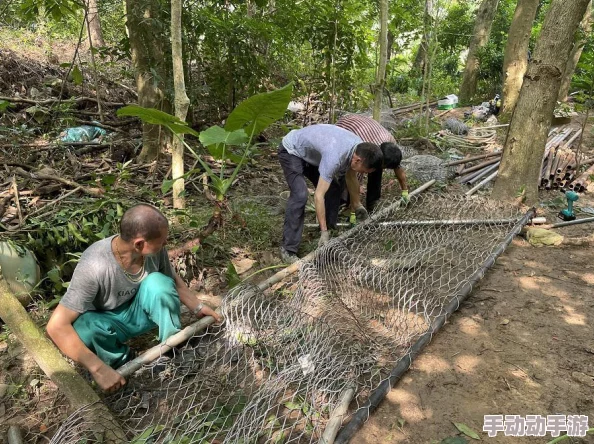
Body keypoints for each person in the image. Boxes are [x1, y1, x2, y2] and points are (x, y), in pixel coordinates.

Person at [46, 204, 222, 393]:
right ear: (139, 244)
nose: (166, 244)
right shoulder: (94, 265)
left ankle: (172, 348)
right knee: (84, 327)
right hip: (107, 323)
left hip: (139, 311)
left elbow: (171, 279)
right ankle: (125, 365)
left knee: (159, 283)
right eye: (162, 241)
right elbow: (56, 326)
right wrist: (98, 369)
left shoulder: (154, 250)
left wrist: (197, 306)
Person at [278, 124, 383, 263]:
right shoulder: (335, 157)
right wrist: (323, 231)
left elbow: (351, 177)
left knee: (333, 190)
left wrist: (357, 205)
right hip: (292, 150)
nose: (362, 174)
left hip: (313, 154)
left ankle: (330, 232)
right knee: (300, 195)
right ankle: (288, 249)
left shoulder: (359, 148)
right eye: (363, 171)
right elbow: (318, 196)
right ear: (357, 160)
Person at [336, 114, 409, 212]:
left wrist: (405, 191)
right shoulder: (364, 149)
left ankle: (373, 204)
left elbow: (397, 166)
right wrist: (355, 204)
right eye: (383, 167)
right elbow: (354, 177)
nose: (382, 169)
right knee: (346, 171)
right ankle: (344, 203)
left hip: (363, 124)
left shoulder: (391, 144)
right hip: (344, 126)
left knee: (375, 169)